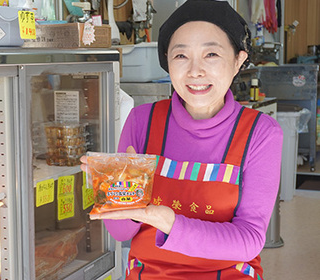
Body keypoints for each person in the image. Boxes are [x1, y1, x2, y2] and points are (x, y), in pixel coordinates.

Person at [81, 0, 283, 279]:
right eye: (181, 56)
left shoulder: (261, 132)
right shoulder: (142, 121)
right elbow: (120, 232)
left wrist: (169, 222)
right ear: (167, 62)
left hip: (228, 272)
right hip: (148, 272)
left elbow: (248, 240)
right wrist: (116, 194)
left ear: (238, 60)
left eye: (211, 54)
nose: (195, 71)